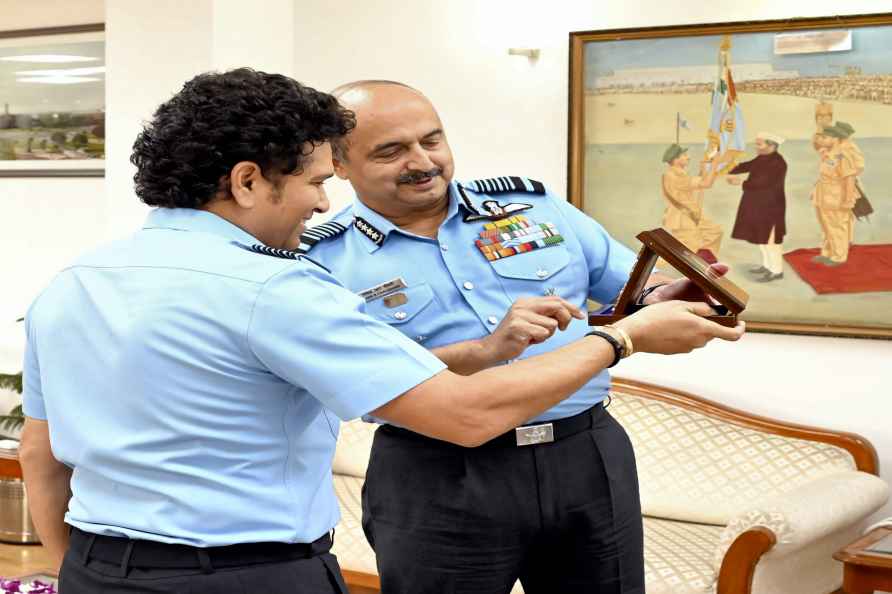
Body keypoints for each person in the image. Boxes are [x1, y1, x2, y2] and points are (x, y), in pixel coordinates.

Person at [18, 70, 741, 594]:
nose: (318, 200)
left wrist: (70, 569)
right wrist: (624, 342)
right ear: (246, 181)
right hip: (281, 558)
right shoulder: (283, 281)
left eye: (432, 140)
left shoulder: (74, 282)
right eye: (316, 180)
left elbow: (42, 454)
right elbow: (457, 414)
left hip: (101, 568)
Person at [304, 80, 744, 594]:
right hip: (438, 473)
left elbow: (629, 296)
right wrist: (488, 352)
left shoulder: (535, 209)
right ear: (339, 164)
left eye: (432, 140)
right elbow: (367, 385)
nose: (423, 161)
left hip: (584, 453)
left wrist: (670, 299)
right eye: (391, 151)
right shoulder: (321, 259)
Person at [726, 132, 788, 282]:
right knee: (762, 238)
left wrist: (739, 182)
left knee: (771, 240)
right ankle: (767, 266)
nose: (756, 147)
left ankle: (777, 270)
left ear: (772, 146)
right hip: (758, 205)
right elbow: (748, 165)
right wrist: (728, 168)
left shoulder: (778, 163)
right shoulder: (763, 158)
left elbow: (762, 183)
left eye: (760, 144)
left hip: (771, 207)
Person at [660, 143, 724, 263]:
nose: (688, 157)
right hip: (683, 218)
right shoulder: (674, 175)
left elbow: (697, 183)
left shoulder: (678, 173)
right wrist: (715, 164)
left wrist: (704, 167)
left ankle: (704, 262)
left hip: (690, 215)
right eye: (684, 155)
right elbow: (705, 183)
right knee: (687, 251)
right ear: (675, 159)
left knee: (715, 231)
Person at [812, 125, 857, 266]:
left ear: (835, 138)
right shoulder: (828, 153)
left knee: (837, 227)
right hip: (823, 195)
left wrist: (848, 200)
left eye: (825, 138)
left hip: (837, 196)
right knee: (826, 226)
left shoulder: (843, 156)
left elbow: (849, 178)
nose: (822, 140)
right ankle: (827, 253)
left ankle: (839, 256)